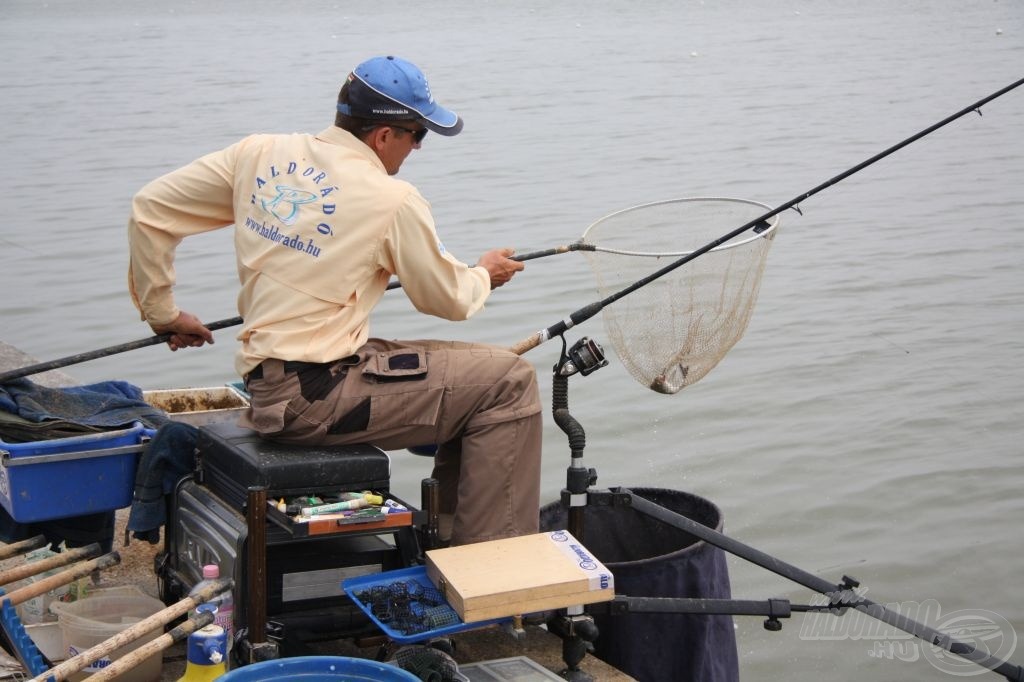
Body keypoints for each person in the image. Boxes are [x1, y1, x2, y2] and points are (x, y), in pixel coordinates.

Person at [127, 55, 542, 546]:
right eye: (417, 135)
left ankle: (450, 545)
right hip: (312, 401)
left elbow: (150, 211)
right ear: (383, 136)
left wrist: (164, 314)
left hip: (271, 383)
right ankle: (491, 570)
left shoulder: (259, 154)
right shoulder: (393, 199)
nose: (418, 148)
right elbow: (448, 299)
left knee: (483, 367)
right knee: (510, 382)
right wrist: (483, 275)